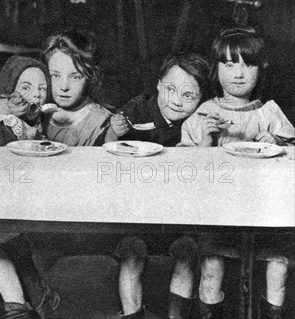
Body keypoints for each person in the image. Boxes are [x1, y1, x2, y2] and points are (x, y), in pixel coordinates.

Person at [180, 26, 295, 319]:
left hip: (265, 218)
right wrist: (206, 141)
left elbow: (291, 164)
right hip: (218, 215)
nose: (239, 73)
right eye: (229, 64)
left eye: (248, 63)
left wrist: (278, 144)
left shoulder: (269, 113)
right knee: (211, 268)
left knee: (278, 268)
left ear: (261, 69)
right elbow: (184, 171)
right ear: (216, 69)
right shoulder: (205, 113)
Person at [108, 52, 212, 319]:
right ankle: (132, 314)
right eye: (170, 89)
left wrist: (206, 144)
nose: (177, 101)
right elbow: (105, 158)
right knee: (131, 254)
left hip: (181, 215)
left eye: (189, 96)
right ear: (158, 84)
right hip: (137, 212)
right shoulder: (137, 109)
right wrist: (114, 131)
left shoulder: (204, 120)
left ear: (201, 99)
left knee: (187, 253)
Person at [0, 55, 60, 319]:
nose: (36, 95)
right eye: (26, 87)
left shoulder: (46, 116)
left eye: (42, 89)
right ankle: (27, 300)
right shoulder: (0, 112)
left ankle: (20, 303)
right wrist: (8, 107)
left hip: (32, 192)